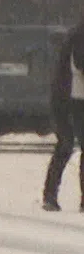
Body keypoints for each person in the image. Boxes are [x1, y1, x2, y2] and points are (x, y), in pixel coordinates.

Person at [43, 13, 84, 210]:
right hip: (67, 98)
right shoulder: (79, 33)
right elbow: (81, 62)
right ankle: (50, 196)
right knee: (66, 144)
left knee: (68, 145)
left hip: (75, 97)